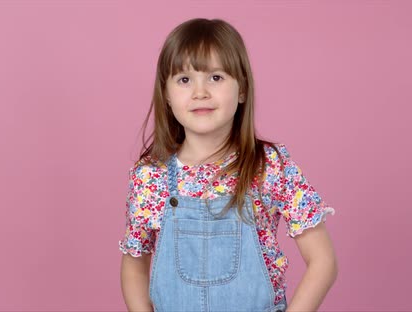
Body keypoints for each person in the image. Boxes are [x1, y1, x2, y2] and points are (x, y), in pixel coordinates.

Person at [119, 18, 337, 312]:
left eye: (216, 77)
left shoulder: (268, 166)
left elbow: (322, 261)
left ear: (243, 89)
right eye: (184, 80)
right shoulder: (150, 176)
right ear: (167, 95)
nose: (200, 92)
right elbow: (135, 262)